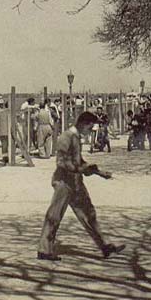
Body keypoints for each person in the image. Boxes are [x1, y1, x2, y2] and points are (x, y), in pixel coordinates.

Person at [38, 112, 125, 261]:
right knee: (54, 216)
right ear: (83, 124)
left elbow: (78, 161)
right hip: (64, 183)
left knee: (89, 215)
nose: (90, 131)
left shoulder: (76, 137)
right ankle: (44, 250)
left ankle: (105, 246)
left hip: (76, 182)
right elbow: (61, 162)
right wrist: (80, 169)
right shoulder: (66, 137)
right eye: (90, 128)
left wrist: (98, 172)